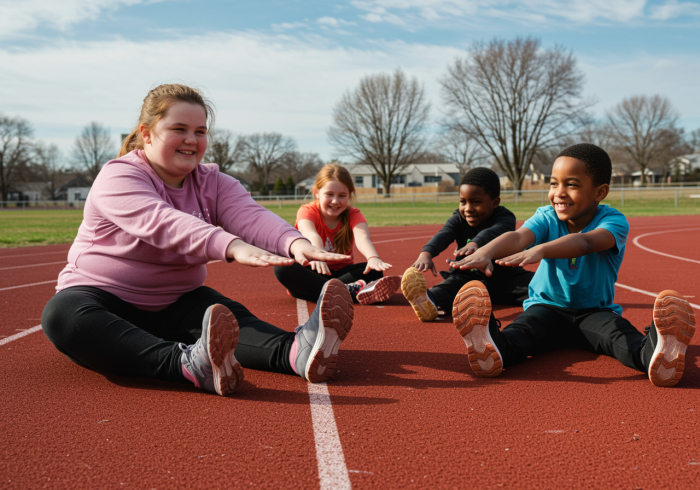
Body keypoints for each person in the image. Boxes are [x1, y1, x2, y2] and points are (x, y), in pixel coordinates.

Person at [41, 84, 355, 397]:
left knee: (225, 315)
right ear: (146, 133)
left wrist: (295, 243)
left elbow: (250, 215)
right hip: (102, 299)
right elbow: (162, 223)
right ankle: (188, 364)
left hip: (177, 298)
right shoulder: (119, 176)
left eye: (200, 131)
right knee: (62, 316)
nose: (192, 140)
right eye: (179, 129)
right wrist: (232, 246)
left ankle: (297, 350)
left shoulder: (213, 182)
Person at [450, 143, 696, 387]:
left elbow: (586, 243)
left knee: (624, 341)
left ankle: (657, 352)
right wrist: (486, 251)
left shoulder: (613, 221)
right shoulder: (546, 216)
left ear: (600, 192)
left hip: (595, 312)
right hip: (546, 308)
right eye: (554, 183)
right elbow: (517, 237)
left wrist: (541, 249)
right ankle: (489, 345)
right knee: (518, 337)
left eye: (571, 184)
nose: (559, 192)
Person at [401, 167, 534, 322]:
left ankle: (553, 300)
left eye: (476, 202)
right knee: (451, 287)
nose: (468, 209)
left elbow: (496, 231)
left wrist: (476, 243)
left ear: (495, 202)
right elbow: (444, 234)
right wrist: (426, 253)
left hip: (506, 277)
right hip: (467, 277)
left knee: (541, 286)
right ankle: (428, 300)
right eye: (462, 202)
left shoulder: (505, 217)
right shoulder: (458, 218)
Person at [274, 163, 402, 305]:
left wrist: (373, 258)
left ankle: (328, 292)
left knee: (374, 271)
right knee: (282, 268)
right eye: (329, 194)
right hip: (314, 270)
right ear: (316, 192)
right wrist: (318, 256)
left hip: (341, 273)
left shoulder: (354, 214)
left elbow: (362, 237)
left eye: (342, 196)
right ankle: (348, 291)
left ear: (349, 195)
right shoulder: (307, 211)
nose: (335, 201)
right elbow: (311, 235)